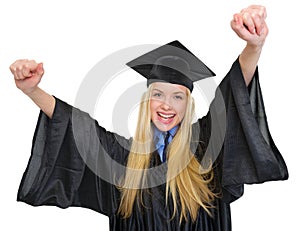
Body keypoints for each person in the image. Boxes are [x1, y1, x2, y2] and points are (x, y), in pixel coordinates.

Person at [10, 5, 288, 231]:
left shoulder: (205, 150)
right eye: (158, 94)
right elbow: (76, 126)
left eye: (177, 96)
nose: (167, 105)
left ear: (187, 104)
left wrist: (254, 46)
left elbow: (232, 97)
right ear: (146, 100)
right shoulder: (121, 158)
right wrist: (33, 90)